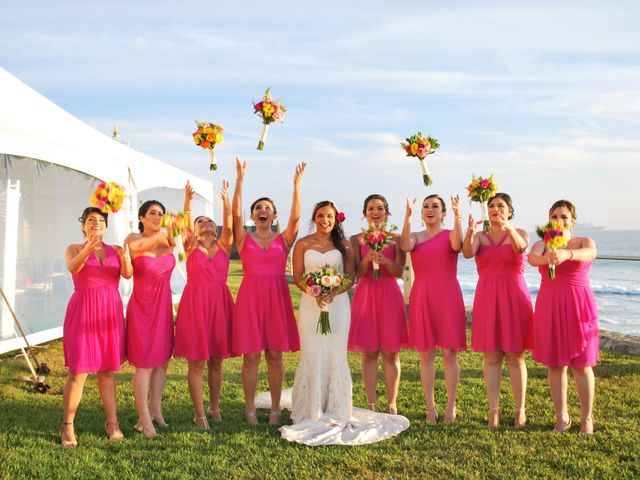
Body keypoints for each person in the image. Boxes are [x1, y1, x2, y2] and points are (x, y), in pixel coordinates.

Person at [271, 200, 409, 446]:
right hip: (310, 304)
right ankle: (310, 406)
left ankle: (336, 404)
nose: (325, 220)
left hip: (338, 305)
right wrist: (314, 290)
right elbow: (297, 276)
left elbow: (350, 277)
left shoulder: (345, 244)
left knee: (335, 353)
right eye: (321, 215)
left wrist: (333, 292)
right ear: (314, 218)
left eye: (330, 217)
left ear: (336, 220)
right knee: (312, 351)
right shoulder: (302, 244)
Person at [232, 158, 306, 425]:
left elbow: (296, 217)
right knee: (250, 356)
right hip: (250, 298)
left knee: (275, 355)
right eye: (259, 208)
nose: (263, 211)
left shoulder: (283, 240)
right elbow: (235, 214)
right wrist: (240, 180)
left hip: (276, 298)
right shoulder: (243, 238)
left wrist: (296, 185)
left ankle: (275, 410)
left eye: (268, 208)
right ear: (253, 215)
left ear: (274, 215)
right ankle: (250, 409)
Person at [61, 207, 132, 447]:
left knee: (107, 371)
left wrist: (126, 260)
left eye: (101, 220)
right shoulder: (74, 248)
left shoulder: (115, 250)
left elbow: (127, 275)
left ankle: (112, 423)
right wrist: (88, 249)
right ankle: (68, 425)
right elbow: (73, 268)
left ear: (106, 226)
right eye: (91, 220)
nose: (96, 223)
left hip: (109, 313)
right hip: (83, 311)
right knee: (78, 372)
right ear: (83, 225)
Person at [462, 192, 533, 428]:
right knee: (491, 357)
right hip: (488, 297)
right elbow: (467, 252)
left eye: (501, 206)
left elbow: (521, 248)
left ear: (510, 211)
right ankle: (494, 411)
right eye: (491, 205)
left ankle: (519, 410)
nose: (495, 209)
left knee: (516, 356)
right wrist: (471, 231)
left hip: (514, 296)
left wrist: (507, 227)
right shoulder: (481, 237)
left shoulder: (520, 233)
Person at [528, 200, 598, 434]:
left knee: (582, 364)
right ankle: (562, 416)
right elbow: (532, 258)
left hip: (578, 305)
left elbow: (590, 253)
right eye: (554, 216)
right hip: (550, 304)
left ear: (573, 220)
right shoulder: (542, 243)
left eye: (564, 216)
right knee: (556, 364)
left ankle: (587, 417)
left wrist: (567, 253)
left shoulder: (583, 242)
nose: (559, 219)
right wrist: (548, 257)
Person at [174, 180, 234, 430]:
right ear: (195, 230)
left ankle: (215, 407)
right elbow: (184, 225)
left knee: (217, 359)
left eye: (210, 221)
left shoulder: (224, 245)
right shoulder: (190, 245)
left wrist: (226, 200)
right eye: (201, 222)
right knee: (197, 361)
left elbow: (230, 224)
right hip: (196, 304)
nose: (206, 223)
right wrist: (187, 202)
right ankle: (199, 414)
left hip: (220, 304)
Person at [400, 194, 466, 423]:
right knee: (426, 353)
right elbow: (404, 244)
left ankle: (450, 406)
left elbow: (458, 245)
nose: (430, 210)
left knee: (449, 353)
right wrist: (407, 215)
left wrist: (458, 216)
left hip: (448, 295)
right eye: (426, 207)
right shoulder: (416, 237)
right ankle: (430, 407)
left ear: (443, 213)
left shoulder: (450, 234)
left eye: (435, 207)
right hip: (423, 295)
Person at [348, 194, 408, 414]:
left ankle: (392, 402)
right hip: (366, 294)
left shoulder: (396, 238)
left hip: (389, 293)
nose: (375, 212)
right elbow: (355, 273)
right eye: (371, 208)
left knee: (391, 352)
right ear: (365, 213)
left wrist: (386, 261)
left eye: (380, 208)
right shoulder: (356, 239)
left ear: (386, 212)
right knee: (369, 351)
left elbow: (400, 272)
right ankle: (371, 403)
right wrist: (367, 259)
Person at [125, 200, 176, 438]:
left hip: (163, 306)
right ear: (142, 217)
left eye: (161, 214)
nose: (157, 216)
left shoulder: (168, 241)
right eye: (153, 213)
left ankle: (155, 410)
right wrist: (162, 235)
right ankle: (144, 419)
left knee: (162, 361)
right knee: (144, 365)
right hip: (143, 308)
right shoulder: (133, 238)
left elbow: (184, 235)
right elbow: (139, 248)